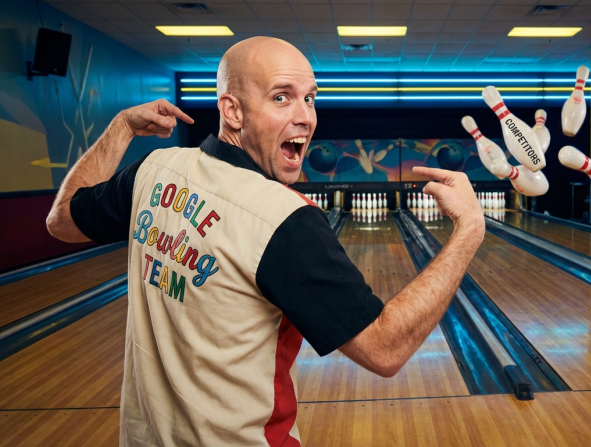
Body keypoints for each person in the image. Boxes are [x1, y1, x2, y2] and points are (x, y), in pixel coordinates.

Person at [46, 37, 484, 446]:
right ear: (232, 111)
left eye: (310, 98)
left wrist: (121, 126)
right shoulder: (284, 219)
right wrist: (467, 232)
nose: (306, 116)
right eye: (281, 97)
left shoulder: (155, 169)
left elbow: (61, 219)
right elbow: (385, 349)